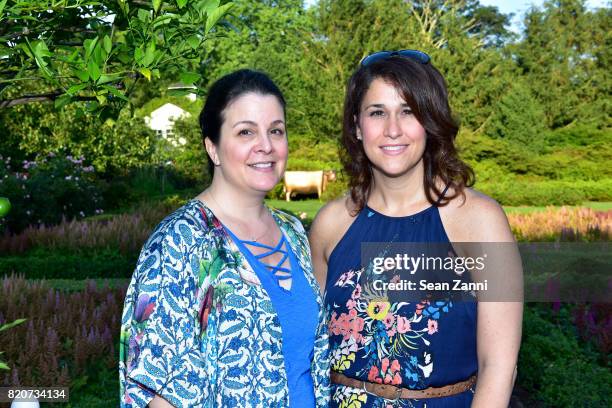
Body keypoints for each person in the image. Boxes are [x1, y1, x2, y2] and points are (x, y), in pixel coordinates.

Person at [309, 50, 523, 407]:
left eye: (409, 112)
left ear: (430, 122)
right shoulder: (331, 224)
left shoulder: (478, 221)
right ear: (357, 126)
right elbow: (313, 350)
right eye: (377, 112)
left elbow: (499, 366)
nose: (393, 129)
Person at [119, 69, 330, 408]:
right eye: (246, 132)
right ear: (213, 147)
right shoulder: (180, 241)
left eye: (276, 130)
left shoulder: (292, 232)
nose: (266, 145)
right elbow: (158, 391)